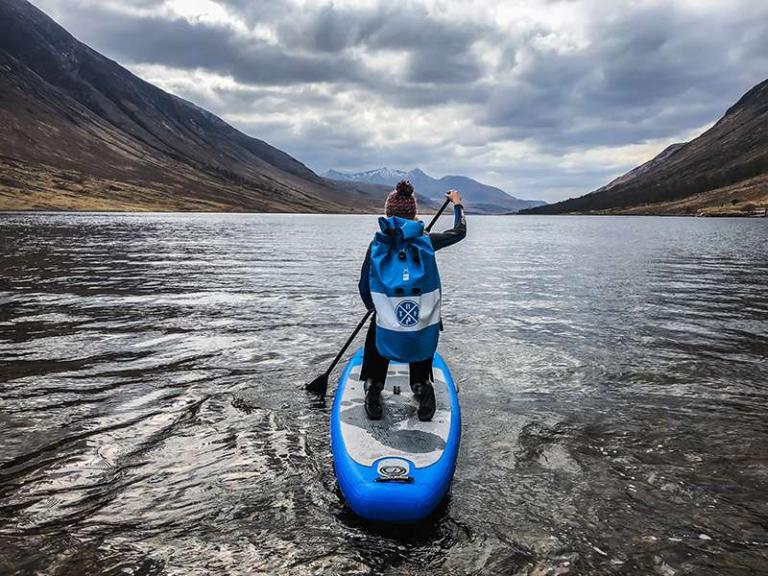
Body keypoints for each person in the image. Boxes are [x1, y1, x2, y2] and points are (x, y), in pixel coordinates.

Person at [358, 180, 466, 421]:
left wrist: (373, 307)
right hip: (421, 316)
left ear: (388, 213)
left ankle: (374, 388)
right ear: (413, 213)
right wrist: (457, 205)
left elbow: (365, 285)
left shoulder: (378, 245)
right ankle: (422, 388)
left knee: (380, 325)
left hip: (387, 316)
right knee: (423, 326)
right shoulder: (426, 241)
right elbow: (459, 232)